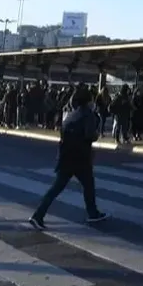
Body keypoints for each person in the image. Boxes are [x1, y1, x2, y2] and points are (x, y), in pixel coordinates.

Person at [28, 85, 109, 230]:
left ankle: (38, 215)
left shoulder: (71, 114)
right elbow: (90, 135)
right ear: (88, 100)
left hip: (66, 156)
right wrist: (96, 134)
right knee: (88, 186)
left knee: (56, 188)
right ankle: (92, 213)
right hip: (81, 157)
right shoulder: (88, 114)